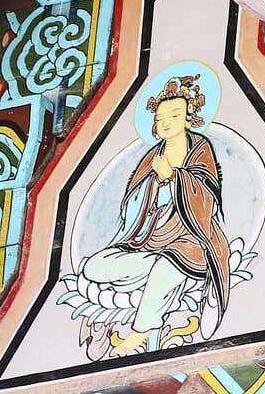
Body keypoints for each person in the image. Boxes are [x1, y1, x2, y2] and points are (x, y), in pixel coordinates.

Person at [74, 75, 231, 357]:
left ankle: (141, 329)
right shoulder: (151, 158)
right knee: (94, 267)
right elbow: (132, 207)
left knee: (169, 264)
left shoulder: (200, 149)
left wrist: (175, 177)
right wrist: (154, 185)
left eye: (175, 115)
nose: (167, 122)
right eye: (161, 118)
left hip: (191, 240)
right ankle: (168, 274)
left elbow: (208, 201)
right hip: (148, 241)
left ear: (189, 117)